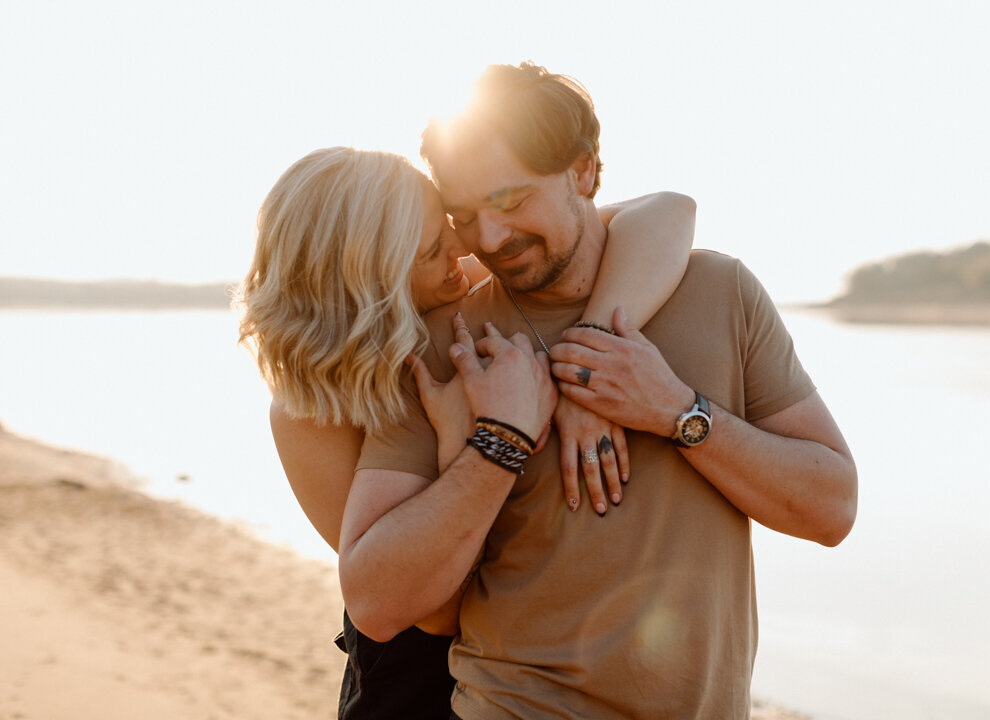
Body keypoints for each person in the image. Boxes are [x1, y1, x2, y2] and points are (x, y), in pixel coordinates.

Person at [341, 62, 858, 719]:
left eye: (509, 200)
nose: (489, 240)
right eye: (464, 215)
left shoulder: (720, 292)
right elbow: (377, 602)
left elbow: (832, 509)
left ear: (584, 172)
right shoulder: (446, 345)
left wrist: (678, 413)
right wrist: (498, 443)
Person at [236, 146, 697, 718]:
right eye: (433, 248)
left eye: (448, 226)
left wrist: (590, 360)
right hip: (417, 682)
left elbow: (668, 212)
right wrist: (469, 442)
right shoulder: (309, 416)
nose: (464, 247)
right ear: (371, 275)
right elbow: (434, 611)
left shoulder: (457, 284)